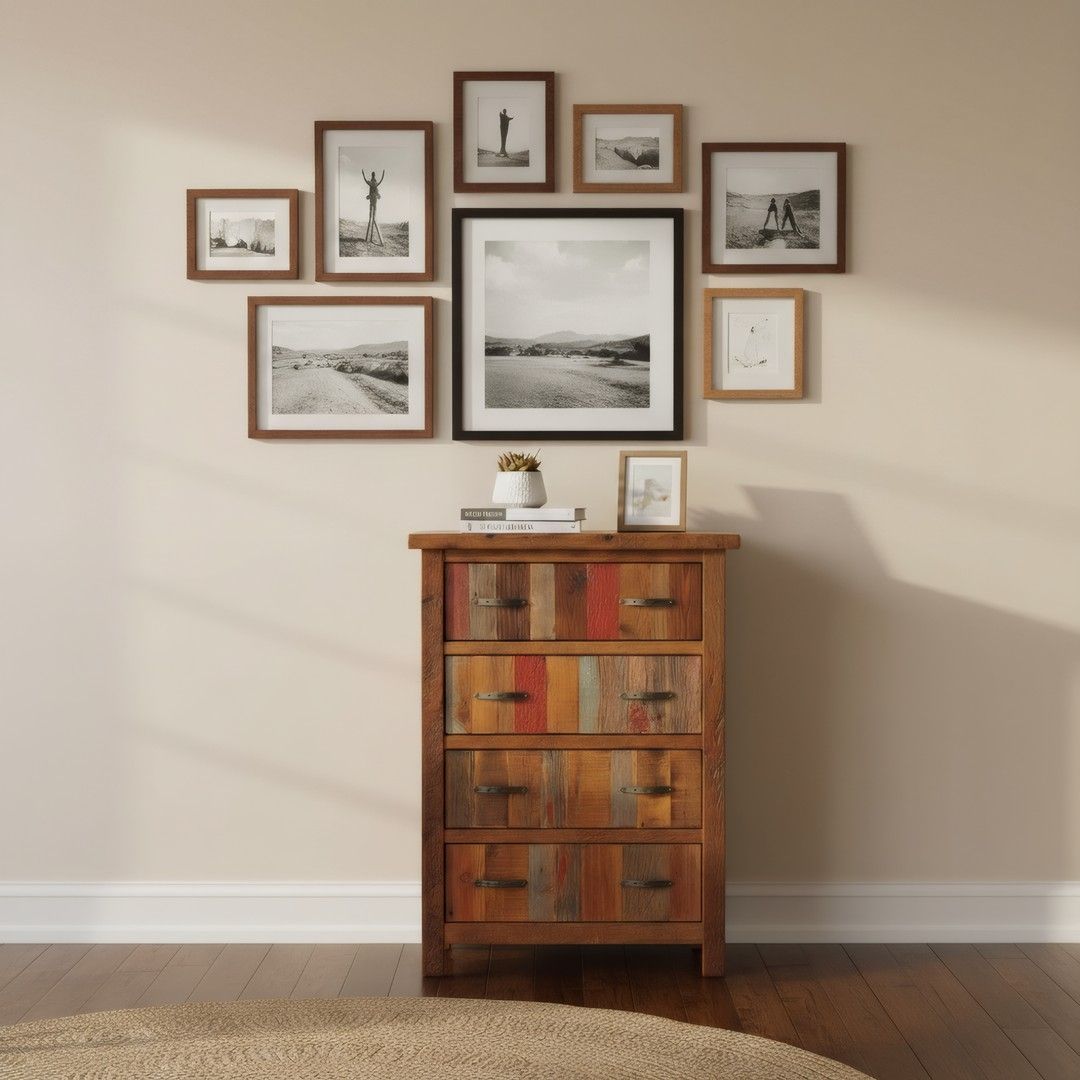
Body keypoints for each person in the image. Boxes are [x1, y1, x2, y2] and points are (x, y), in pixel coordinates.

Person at [362, 169, 385, 245]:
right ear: (374, 176)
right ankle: (373, 218)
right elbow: (381, 180)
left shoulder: (371, 183)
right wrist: (383, 174)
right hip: (374, 199)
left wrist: (363, 174)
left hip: (372, 199)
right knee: (373, 214)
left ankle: (368, 238)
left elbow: (365, 180)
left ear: (372, 176)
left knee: (371, 216)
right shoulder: (375, 183)